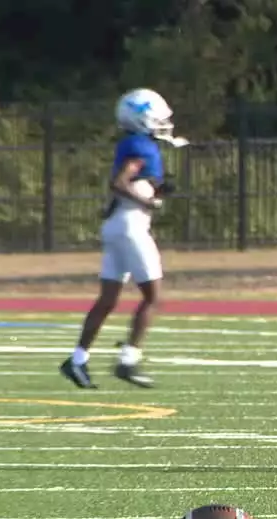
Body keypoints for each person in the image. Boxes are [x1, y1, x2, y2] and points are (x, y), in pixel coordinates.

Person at [60, 88, 187, 389]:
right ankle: (128, 360)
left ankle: (77, 360)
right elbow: (119, 183)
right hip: (131, 226)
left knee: (107, 299)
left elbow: (124, 188)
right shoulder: (141, 146)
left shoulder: (134, 144)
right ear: (141, 118)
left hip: (118, 225)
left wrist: (155, 192)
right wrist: (149, 203)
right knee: (153, 297)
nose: (163, 123)